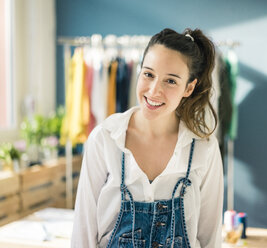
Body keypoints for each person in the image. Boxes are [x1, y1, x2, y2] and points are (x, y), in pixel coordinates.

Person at [71, 28, 223, 248]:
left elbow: (211, 239)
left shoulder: (204, 148)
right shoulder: (105, 139)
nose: (154, 91)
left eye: (170, 81)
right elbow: (82, 234)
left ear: (189, 88)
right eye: (148, 74)